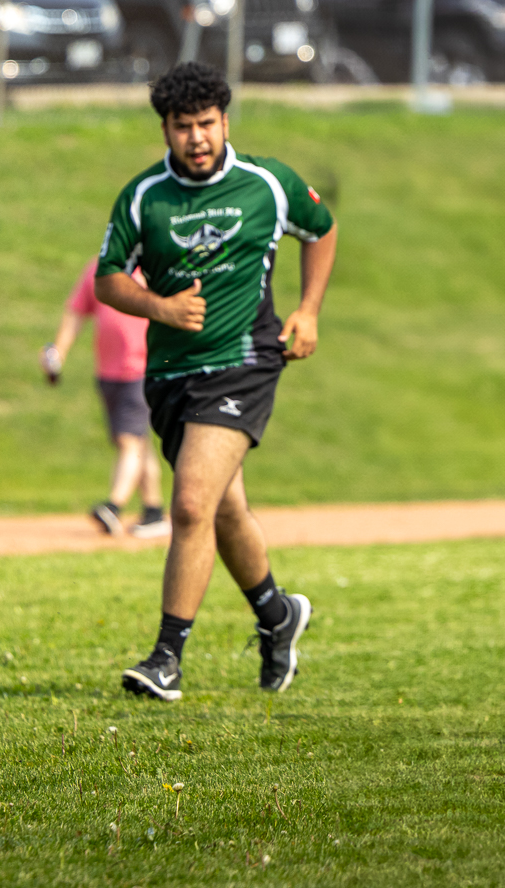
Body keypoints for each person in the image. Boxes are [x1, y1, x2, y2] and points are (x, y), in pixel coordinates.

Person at [95, 62, 338, 703]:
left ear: (225, 121)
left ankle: (166, 658)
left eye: (207, 124)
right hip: (172, 375)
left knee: (192, 504)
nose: (196, 138)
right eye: (183, 127)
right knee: (224, 507)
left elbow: (323, 229)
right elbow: (108, 278)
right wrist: (161, 308)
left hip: (246, 360)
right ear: (166, 130)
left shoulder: (267, 183)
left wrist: (308, 309)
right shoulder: (145, 196)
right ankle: (276, 614)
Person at [42, 260, 168, 539]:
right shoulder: (99, 269)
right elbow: (76, 311)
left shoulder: (153, 268)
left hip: (141, 370)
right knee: (137, 442)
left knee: (129, 440)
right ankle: (154, 512)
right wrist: (59, 353)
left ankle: (114, 506)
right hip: (108, 372)